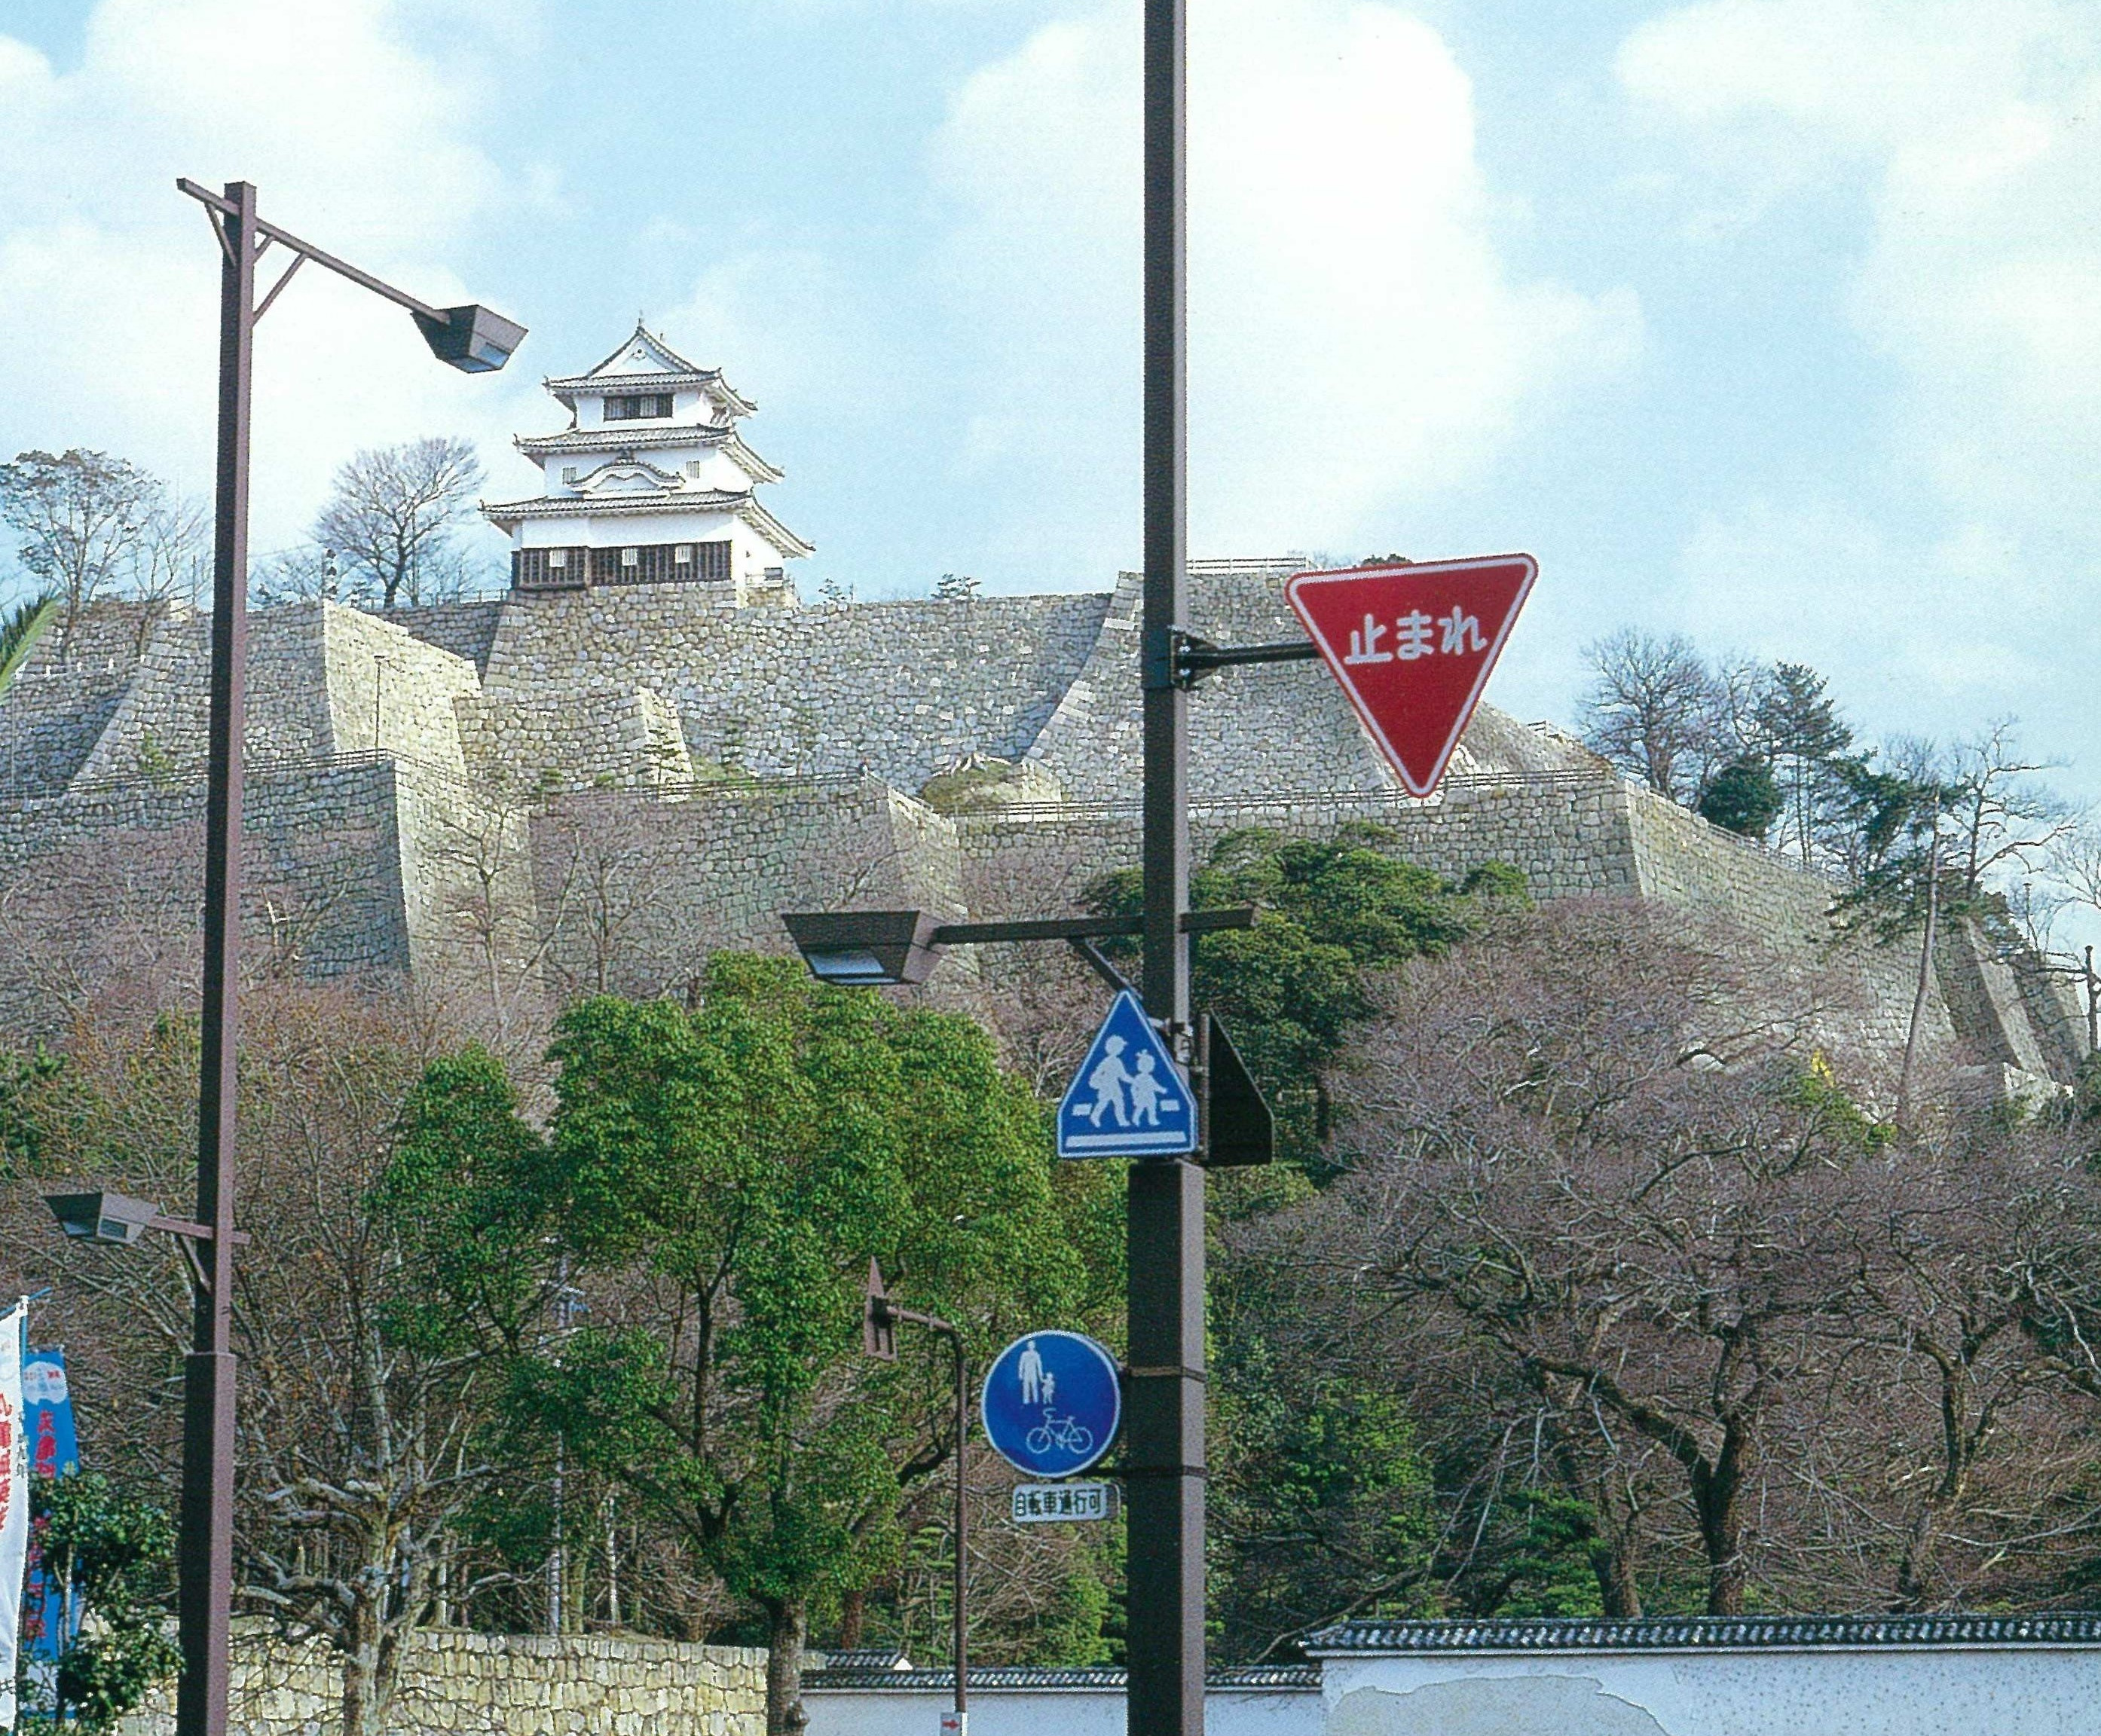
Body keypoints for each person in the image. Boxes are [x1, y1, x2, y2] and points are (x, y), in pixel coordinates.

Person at [1085, 1035, 1133, 1127]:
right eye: (1120, 1047)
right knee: (1105, 1103)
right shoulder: (1108, 1061)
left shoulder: (1116, 1061)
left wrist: (1133, 1081)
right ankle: (1095, 1117)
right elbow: (1122, 1076)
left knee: (1118, 1103)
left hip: (1114, 1086)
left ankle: (1121, 1121)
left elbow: (1123, 1076)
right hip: (1107, 1086)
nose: (1122, 1049)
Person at [1127, 1051, 1179, 1126]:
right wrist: (1135, 1097)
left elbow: (1155, 1086)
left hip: (1150, 1096)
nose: (1151, 1067)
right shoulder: (1138, 1077)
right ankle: (1135, 1119)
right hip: (1142, 1096)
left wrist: (1162, 1090)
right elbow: (1133, 1088)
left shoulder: (1150, 1077)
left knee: (1152, 1108)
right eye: (1148, 1065)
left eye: (1151, 1065)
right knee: (1140, 1108)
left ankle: (1152, 1119)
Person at [1018, 1338, 1044, 1404]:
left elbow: (1039, 1365)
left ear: (1034, 1346)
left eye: (1032, 1345)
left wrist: (1040, 1375)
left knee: (1034, 1386)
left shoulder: (1036, 1354)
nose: (1031, 1346)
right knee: (1026, 1387)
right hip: (1026, 1372)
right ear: (1028, 1346)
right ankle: (1026, 1400)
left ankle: (1036, 1400)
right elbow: (1021, 1364)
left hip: (1033, 1372)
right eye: (1030, 1345)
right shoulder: (1024, 1354)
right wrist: (1020, 1374)